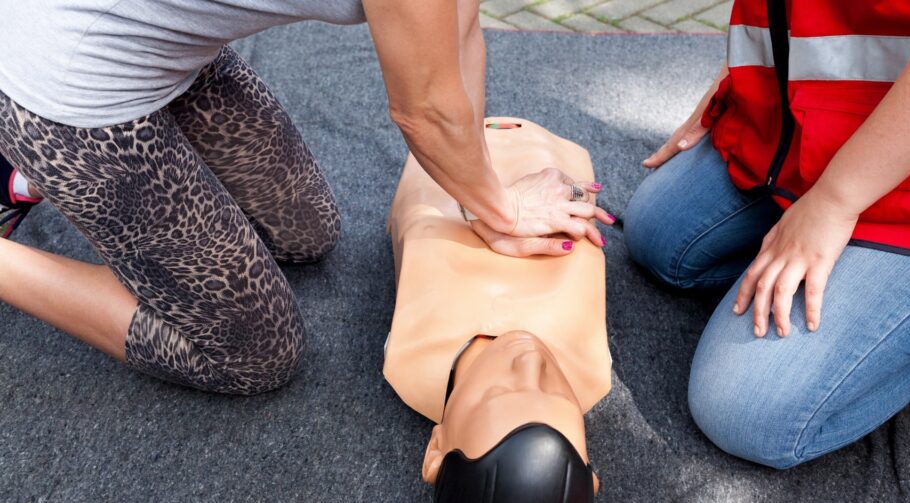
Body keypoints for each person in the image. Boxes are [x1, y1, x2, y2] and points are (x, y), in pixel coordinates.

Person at [0, 0, 613, 394]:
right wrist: (501, 211)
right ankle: (31, 189)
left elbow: (462, 28)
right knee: (252, 354)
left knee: (305, 232)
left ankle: (33, 176)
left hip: (168, 56)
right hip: (67, 85)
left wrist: (480, 195)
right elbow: (424, 111)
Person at [624, 0, 910, 469]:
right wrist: (737, 81)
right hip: (814, 119)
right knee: (661, 238)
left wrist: (836, 199)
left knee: (745, 410)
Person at [384, 118, 612, 503]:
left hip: (447, 137)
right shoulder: (592, 368)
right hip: (550, 144)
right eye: (554, 391)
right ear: (591, 473)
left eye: (500, 393)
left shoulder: (409, 357)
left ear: (435, 451)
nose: (528, 358)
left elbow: (421, 205)